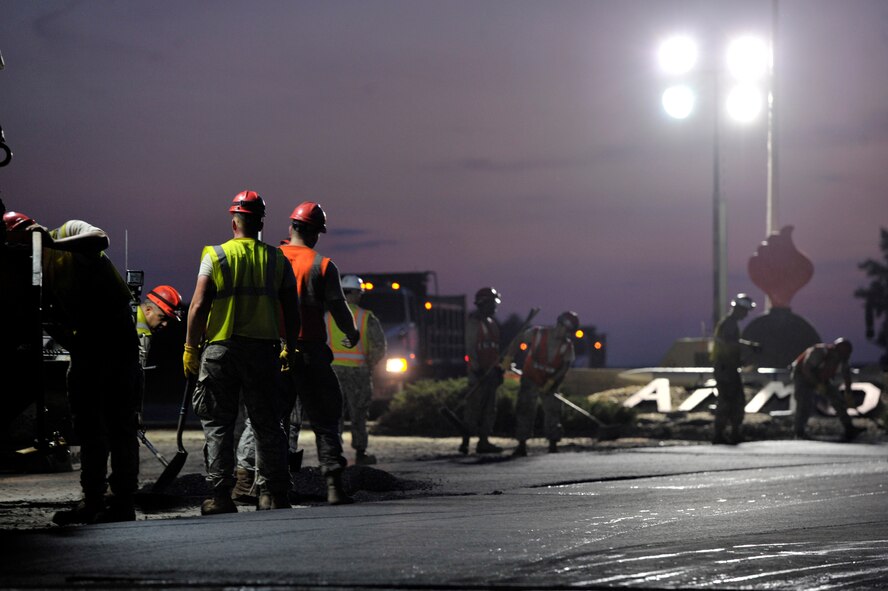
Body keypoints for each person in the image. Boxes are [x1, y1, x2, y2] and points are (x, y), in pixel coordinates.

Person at [3, 211, 142, 525]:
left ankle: (122, 502)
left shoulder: (69, 232)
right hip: (86, 349)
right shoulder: (34, 269)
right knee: (89, 428)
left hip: (116, 341)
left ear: (32, 232)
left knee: (120, 425)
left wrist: (52, 241)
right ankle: (93, 500)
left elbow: (100, 238)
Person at [184, 190, 300, 515]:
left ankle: (221, 497)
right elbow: (292, 310)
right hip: (263, 350)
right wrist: (290, 345)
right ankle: (276, 494)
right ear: (261, 222)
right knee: (268, 423)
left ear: (233, 221)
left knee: (219, 424)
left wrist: (190, 349)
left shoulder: (215, 255)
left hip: (221, 348)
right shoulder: (278, 259)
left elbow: (197, 305)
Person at [236, 201, 360, 505]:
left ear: (291, 227)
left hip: (273, 349)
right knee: (326, 417)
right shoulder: (323, 265)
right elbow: (338, 307)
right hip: (311, 351)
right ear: (317, 233)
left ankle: (255, 486)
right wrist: (351, 332)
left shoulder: (271, 259)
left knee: (265, 419)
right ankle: (333, 485)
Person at [327, 274, 387, 465]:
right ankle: (360, 452)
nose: (361, 296)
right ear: (354, 294)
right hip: (359, 371)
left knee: (334, 414)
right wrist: (371, 364)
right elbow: (379, 346)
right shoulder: (366, 317)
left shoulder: (328, 316)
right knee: (359, 413)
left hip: (332, 372)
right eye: (360, 293)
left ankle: (333, 454)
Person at [508, 311, 578, 456]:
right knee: (525, 409)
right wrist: (509, 357)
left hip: (550, 382)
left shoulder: (567, 346)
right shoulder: (538, 333)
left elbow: (565, 367)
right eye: (566, 330)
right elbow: (518, 340)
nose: (566, 334)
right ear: (559, 324)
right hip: (530, 378)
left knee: (553, 410)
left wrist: (552, 382)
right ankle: (522, 444)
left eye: (569, 332)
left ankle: (553, 444)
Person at [791, 338, 866, 441]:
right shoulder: (820, 352)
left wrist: (848, 393)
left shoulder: (841, 358)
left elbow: (846, 375)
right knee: (804, 402)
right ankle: (799, 432)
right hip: (803, 377)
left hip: (821, 378)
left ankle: (849, 428)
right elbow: (806, 369)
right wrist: (817, 385)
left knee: (837, 399)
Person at [710, 293, 761, 445]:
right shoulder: (729, 324)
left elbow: (730, 343)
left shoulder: (728, 323)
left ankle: (730, 433)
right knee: (730, 401)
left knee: (732, 400)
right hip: (726, 369)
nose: (746, 315)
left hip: (727, 368)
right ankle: (723, 434)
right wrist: (748, 346)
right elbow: (729, 343)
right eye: (746, 311)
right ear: (740, 309)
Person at [460, 287, 505, 455]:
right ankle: (465, 442)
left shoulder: (492, 323)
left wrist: (498, 368)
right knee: (473, 409)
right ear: (483, 303)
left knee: (489, 409)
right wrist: (477, 370)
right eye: (492, 303)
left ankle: (484, 441)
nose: (495, 307)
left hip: (491, 373)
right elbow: (470, 350)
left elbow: (494, 349)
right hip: (478, 375)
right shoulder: (473, 323)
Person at [135, 285, 183, 367]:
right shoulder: (142, 332)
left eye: (168, 320)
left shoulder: (128, 314)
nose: (165, 324)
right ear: (148, 310)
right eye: (162, 318)